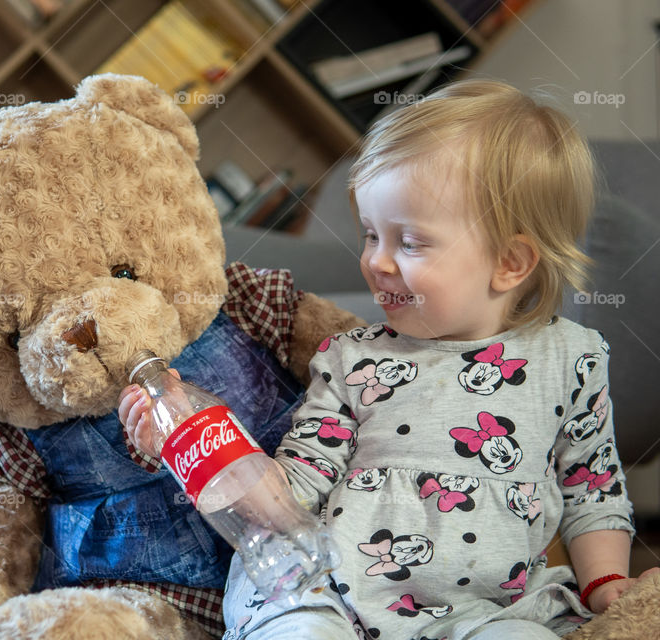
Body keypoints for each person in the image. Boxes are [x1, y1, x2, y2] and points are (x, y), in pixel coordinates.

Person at [118, 79, 658, 639]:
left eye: (410, 242)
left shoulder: (571, 359)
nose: (377, 262)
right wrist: (188, 442)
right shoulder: (352, 359)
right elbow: (293, 491)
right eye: (371, 235)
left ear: (510, 262)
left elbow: (592, 488)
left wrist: (606, 583)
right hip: (328, 589)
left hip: (484, 611)